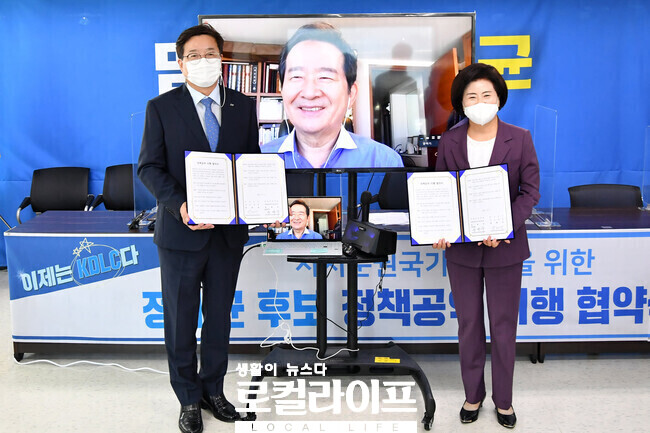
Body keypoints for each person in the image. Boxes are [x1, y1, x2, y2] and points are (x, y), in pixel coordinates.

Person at [137, 24, 259, 433]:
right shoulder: (161, 107)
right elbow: (149, 167)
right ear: (181, 63)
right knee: (181, 320)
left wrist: (265, 201)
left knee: (219, 319)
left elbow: (252, 162)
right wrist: (180, 205)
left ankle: (213, 391)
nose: (203, 60)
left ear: (221, 58)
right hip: (180, 233)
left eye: (210, 53)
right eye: (194, 55)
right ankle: (188, 399)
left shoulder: (243, 106)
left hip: (227, 235)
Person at [432, 63, 540, 429]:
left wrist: (505, 225)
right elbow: (442, 192)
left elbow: (530, 192)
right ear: (461, 103)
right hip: (462, 251)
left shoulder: (520, 138)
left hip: (505, 247)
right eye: (471, 97)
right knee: (469, 325)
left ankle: (504, 401)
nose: (480, 103)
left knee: (504, 326)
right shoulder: (450, 141)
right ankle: (473, 395)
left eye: (486, 95)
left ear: (499, 98)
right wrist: (441, 227)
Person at [261, 23, 404, 169]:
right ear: (282, 89)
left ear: (351, 94)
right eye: (297, 76)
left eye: (325, 77)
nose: (310, 93)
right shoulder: (256, 160)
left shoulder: (384, 162)